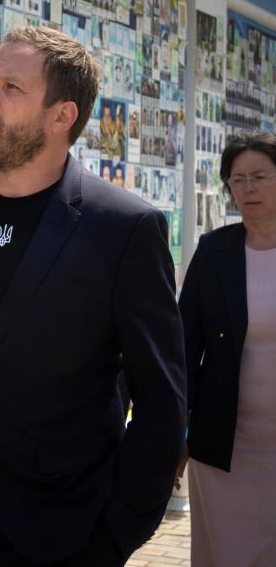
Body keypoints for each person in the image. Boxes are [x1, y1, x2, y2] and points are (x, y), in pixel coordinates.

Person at [0, 26, 185, 565]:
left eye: (11, 88)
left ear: (62, 115)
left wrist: (113, 535)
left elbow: (161, 402)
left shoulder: (124, 228)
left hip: (63, 536)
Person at [177, 131, 276, 567]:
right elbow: (182, 345)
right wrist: (177, 429)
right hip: (225, 443)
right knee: (225, 553)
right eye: (238, 180)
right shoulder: (214, 251)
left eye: (260, 177)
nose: (249, 189)